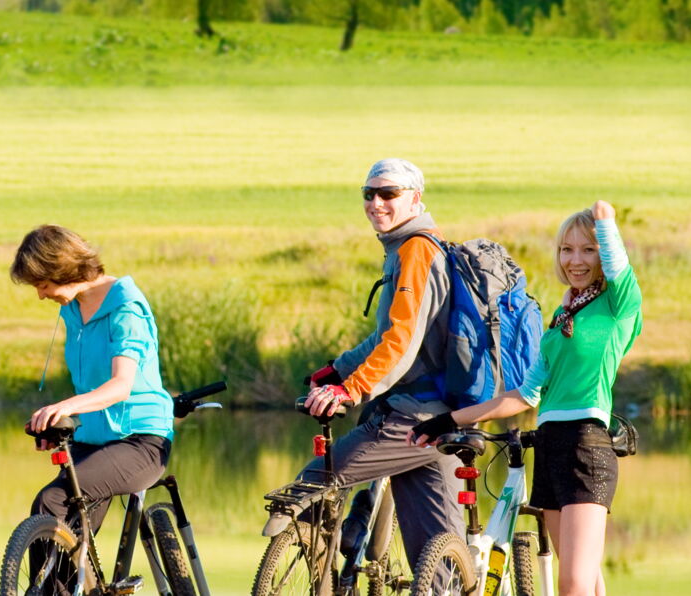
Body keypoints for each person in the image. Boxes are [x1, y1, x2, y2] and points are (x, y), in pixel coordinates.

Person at [410, 200, 641, 596]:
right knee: (584, 579)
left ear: (602, 254)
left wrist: (602, 218)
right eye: (566, 249)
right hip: (550, 446)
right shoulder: (562, 316)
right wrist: (451, 420)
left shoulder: (619, 305)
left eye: (587, 249)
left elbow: (616, 254)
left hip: (587, 447)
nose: (575, 260)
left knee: (572, 586)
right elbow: (526, 395)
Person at [263, 157, 462, 566]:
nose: (376, 202)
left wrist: (351, 389)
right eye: (368, 194)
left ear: (415, 199)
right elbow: (385, 334)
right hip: (443, 412)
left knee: (315, 480)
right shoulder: (405, 249)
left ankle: (324, 569)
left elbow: (400, 341)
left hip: (417, 414)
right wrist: (339, 368)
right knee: (438, 559)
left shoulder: (416, 251)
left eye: (388, 193)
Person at [12, 224, 174, 544]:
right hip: (91, 440)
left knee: (51, 502)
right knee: (71, 538)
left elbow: (120, 386)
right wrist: (60, 424)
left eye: (43, 284)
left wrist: (67, 405)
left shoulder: (126, 307)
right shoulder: (72, 309)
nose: (41, 294)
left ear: (63, 269)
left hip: (139, 442)